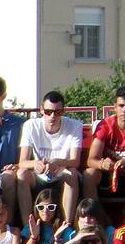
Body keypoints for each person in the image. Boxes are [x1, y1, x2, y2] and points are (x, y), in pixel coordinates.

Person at [14, 90, 83, 226]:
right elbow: (22, 162)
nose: (52, 116)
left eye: (57, 112)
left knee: (72, 174)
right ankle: (28, 226)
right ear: (41, 110)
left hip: (61, 173)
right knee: (21, 174)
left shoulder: (75, 126)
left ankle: (67, 225)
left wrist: (57, 162)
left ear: (63, 112)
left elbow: (75, 161)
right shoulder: (31, 125)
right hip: (39, 174)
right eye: (48, 112)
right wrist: (35, 164)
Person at [83, 85, 125, 207]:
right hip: (108, 174)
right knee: (89, 174)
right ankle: (93, 217)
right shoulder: (105, 125)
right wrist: (102, 164)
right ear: (114, 107)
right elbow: (91, 160)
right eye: (121, 106)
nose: (124, 110)